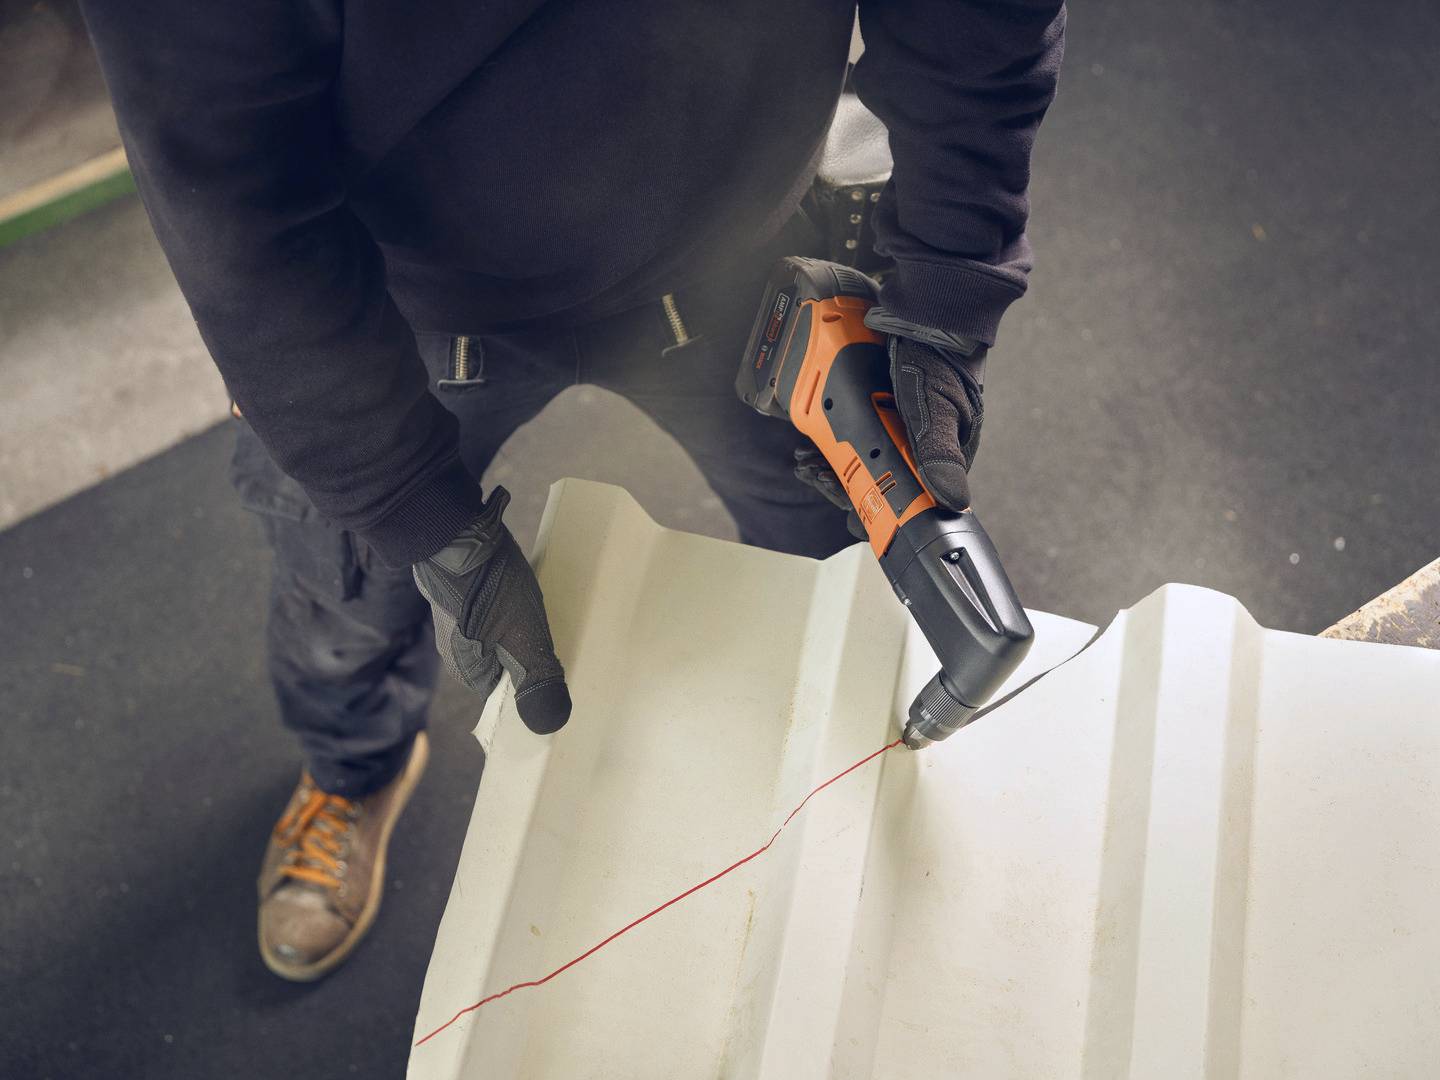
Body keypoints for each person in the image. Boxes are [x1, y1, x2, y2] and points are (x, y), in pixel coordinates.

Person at [80, 0, 1066, 981]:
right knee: (348, 576)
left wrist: (947, 276)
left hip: (739, 247)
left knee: (841, 540)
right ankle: (354, 768)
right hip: (401, 295)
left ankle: (848, 771)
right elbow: (230, 191)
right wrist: (400, 498)